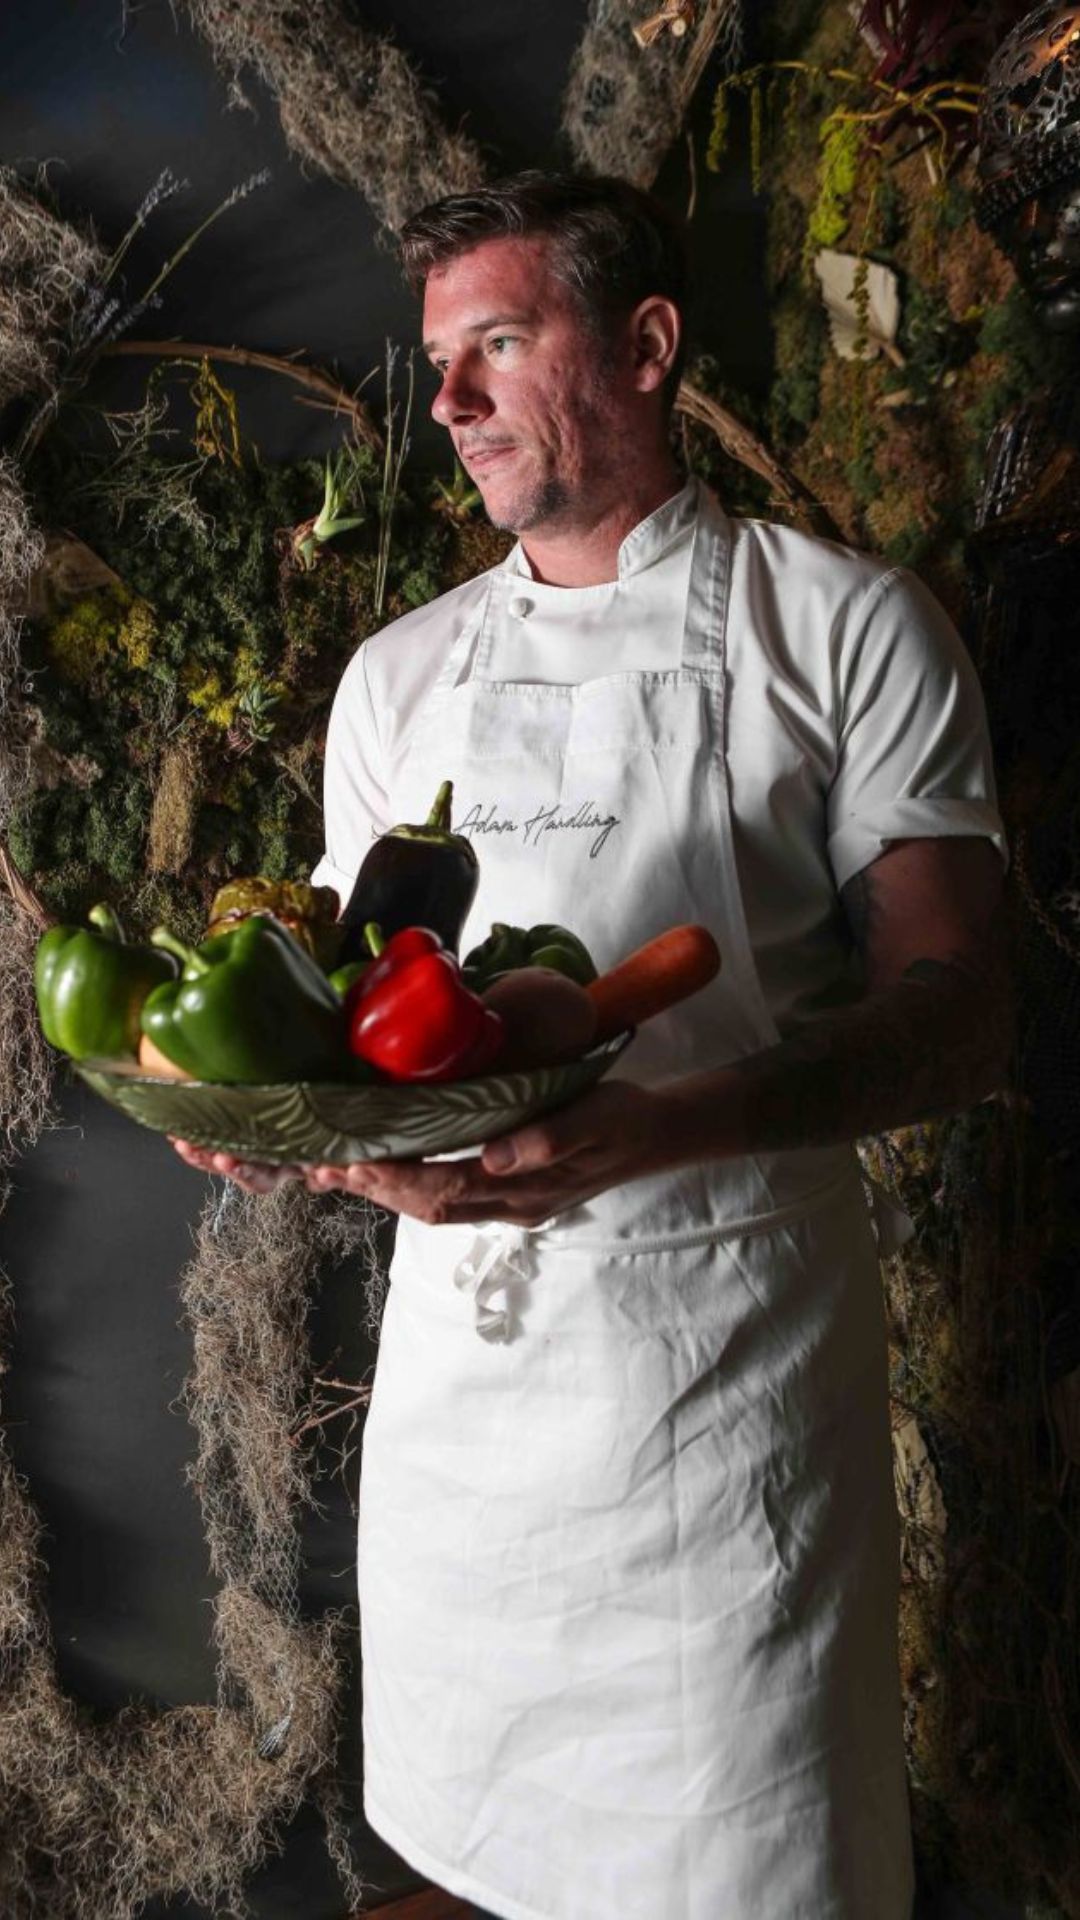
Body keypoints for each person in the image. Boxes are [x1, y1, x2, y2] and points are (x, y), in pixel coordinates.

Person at [176, 173, 1009, 1919]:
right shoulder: (398, 684)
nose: (453, 403)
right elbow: (351, 1022)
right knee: (482, 1857)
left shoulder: (845, 628)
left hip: (727, 1394)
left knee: (756, 1867)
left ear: (643, 349)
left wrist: (665, 1124)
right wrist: (281, 1120)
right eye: (437, 360)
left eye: (497, 342)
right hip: (469, 1421)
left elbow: (960, 1018)